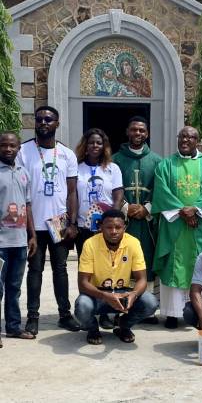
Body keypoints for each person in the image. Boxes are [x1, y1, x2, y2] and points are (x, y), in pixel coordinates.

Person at [152, 126, 202, 329]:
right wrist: (183, 212)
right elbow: (162, 191)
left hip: (200, 225)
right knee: (173, 265)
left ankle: (200, 312)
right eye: (182, 136)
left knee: (200, 264)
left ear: (197, 141)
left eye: (190, 137)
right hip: (174, 224)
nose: (185, 140)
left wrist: (196, 210)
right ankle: (172, 313)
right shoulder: (166, 165)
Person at [17, 106, 80, 335]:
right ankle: (32, 317)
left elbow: (72, 192)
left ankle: (65, 315)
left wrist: (72, 223)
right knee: (35, 270)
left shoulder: (67, 154)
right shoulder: (23, 152)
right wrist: (26, 228)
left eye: (48, 119)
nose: (43, 122)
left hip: (59, 222)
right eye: (39, 119)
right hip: (33, 222)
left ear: (57, 123)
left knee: (60, 269)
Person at [74, 209, 158, 345]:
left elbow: (142, 279)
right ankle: (93, 329)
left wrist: (133, 294)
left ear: (124, 227)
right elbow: (83, 283)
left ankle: (123, 326)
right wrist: (105, 296)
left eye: (118, 227)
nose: (114, 231)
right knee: (82, 306)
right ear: (101, 227)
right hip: (98, 294)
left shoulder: (133, 243)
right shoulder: (90, 244)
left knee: (150, 302)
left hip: (123, 293)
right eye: (109, 227)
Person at [113, 116, 162, 321]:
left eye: (142, 130)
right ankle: (121, 304)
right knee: (123, 261)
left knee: (146, 259)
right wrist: (126, 207)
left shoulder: (157, 161)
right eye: (134, 130)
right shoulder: (115, 160)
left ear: (147, 133)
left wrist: (147, 208)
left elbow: (161, 190)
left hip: (147, 222)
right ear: (127, 132)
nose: (138, 133)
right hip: (125, 222)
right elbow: (111, 187)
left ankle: (147, 308)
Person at [75, 128, 124, 329]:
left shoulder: (112, 169)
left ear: (104, 146)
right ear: (85, 146)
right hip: (84, 228)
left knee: (109, 270)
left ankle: (107, 312)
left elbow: (118, 195)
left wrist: (111, 219)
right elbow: (72, 195)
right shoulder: (77, 168)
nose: (95, 146)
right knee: (87, 271)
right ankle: (88, 311)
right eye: (91, 142)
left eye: (99, 143)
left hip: (107, 229)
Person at [0, 132, 37, 347]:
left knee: (14, 287)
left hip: (20, 242)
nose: (8, 149)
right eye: (3, 145)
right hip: (1, 244)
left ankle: (13, 327)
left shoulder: (24, 172)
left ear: (18, 148)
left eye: (12, 145)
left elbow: (28, 205)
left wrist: (32, 235)